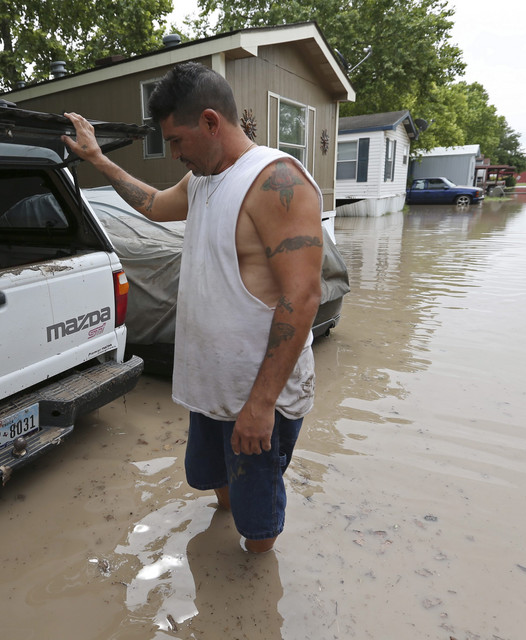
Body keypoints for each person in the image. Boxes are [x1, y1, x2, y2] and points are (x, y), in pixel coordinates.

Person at [62, 62, 322, 553]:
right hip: (212, 387)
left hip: (257, 395)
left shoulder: (275, 181)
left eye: (177, 141)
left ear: (210, 122)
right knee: (218, 488)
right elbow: (155, 204)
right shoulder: (203, 180)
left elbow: (303, 297)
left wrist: (261, 405)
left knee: (256, 525)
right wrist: (98, 160)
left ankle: (249, 603)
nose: (175, 153)